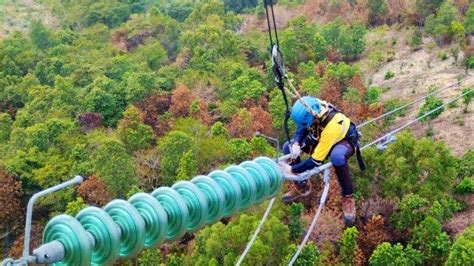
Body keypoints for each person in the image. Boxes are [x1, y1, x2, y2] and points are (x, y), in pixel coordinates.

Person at [278, 96, 363, 224]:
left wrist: (291, 169)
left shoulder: (331, 125)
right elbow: (303, 127)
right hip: (321, 135)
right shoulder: (312, 107)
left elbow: (315, 162)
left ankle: (348, 197)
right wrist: (296, 143)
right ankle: (302, 185)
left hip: (343, 141)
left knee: (337, 158)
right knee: (287, 147)